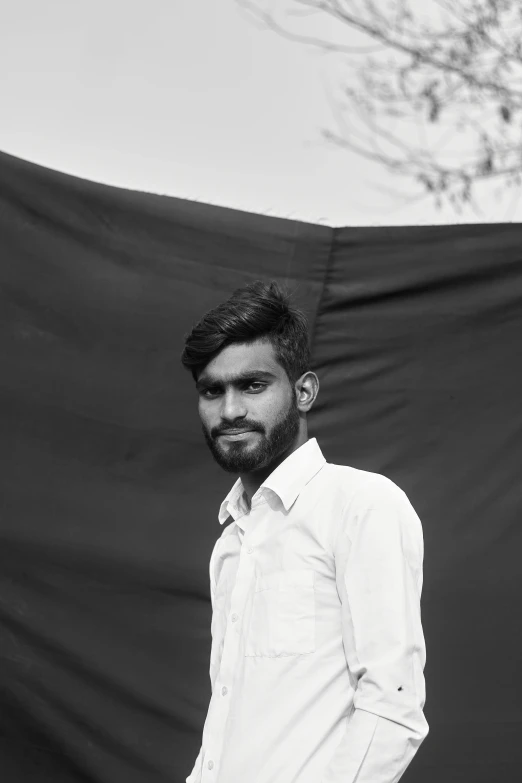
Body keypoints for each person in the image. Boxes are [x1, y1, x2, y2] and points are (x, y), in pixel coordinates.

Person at [180, 279, 429, 783]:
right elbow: (231, 717)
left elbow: (393, 708)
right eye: (213, 390)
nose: (229, 411)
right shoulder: (232, 539)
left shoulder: (361, 505)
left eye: (252, 385)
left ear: (304, 390)